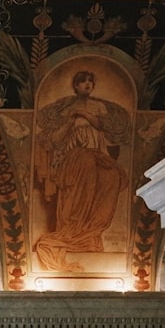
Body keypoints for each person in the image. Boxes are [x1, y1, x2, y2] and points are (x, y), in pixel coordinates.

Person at [34, 70, 131, 272]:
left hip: (99, 155)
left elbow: (102, 126)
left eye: (90, 81)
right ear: (76, 86)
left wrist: (84, 114)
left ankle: (91, 233)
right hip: (75, 157)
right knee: (85, 165)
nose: (87, 85)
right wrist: (71, 119)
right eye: (83, 82)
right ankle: (74, 230)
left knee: (112, 176)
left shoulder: (98, 107)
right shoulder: (66, 110)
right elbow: (57, 139)